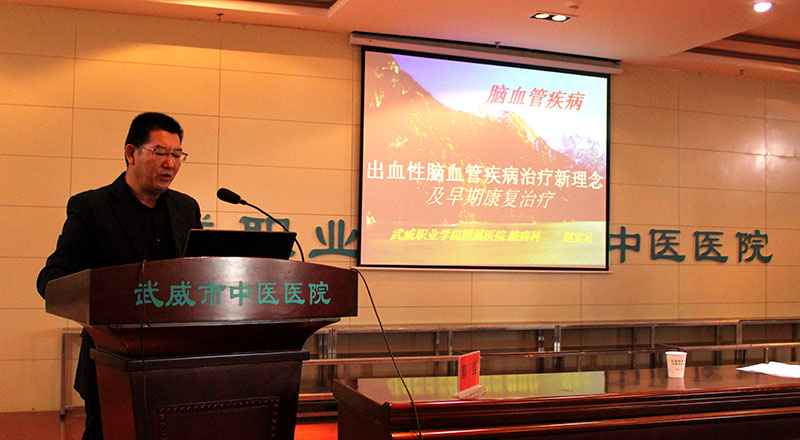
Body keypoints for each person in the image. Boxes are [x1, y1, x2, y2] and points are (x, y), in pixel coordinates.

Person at [36, 112, 202, 440]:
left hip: (175, 361)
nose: (170, 164)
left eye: (177, 155)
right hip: (111, 362)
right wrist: (100, 306)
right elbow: (53, 279)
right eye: (160, 152)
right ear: (131, 153)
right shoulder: (91, 207)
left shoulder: (186, 208)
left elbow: (198, 274)